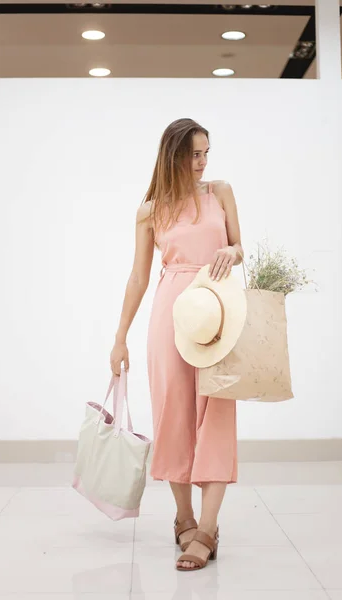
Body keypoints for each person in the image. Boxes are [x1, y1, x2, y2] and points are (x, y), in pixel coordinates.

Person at [110, 118, 244, 571]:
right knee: (174, 413)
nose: (202, 163)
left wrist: (232, 251)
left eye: (206, 153)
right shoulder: (150, 210)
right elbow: (139, 276)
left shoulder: (220, 192)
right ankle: (184, 518)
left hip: (220, 312)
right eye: (192, 154)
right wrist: (119, 337)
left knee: (218, 413)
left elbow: (239, 246)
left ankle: (207, 528)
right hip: (169, 315)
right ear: (172, 156)